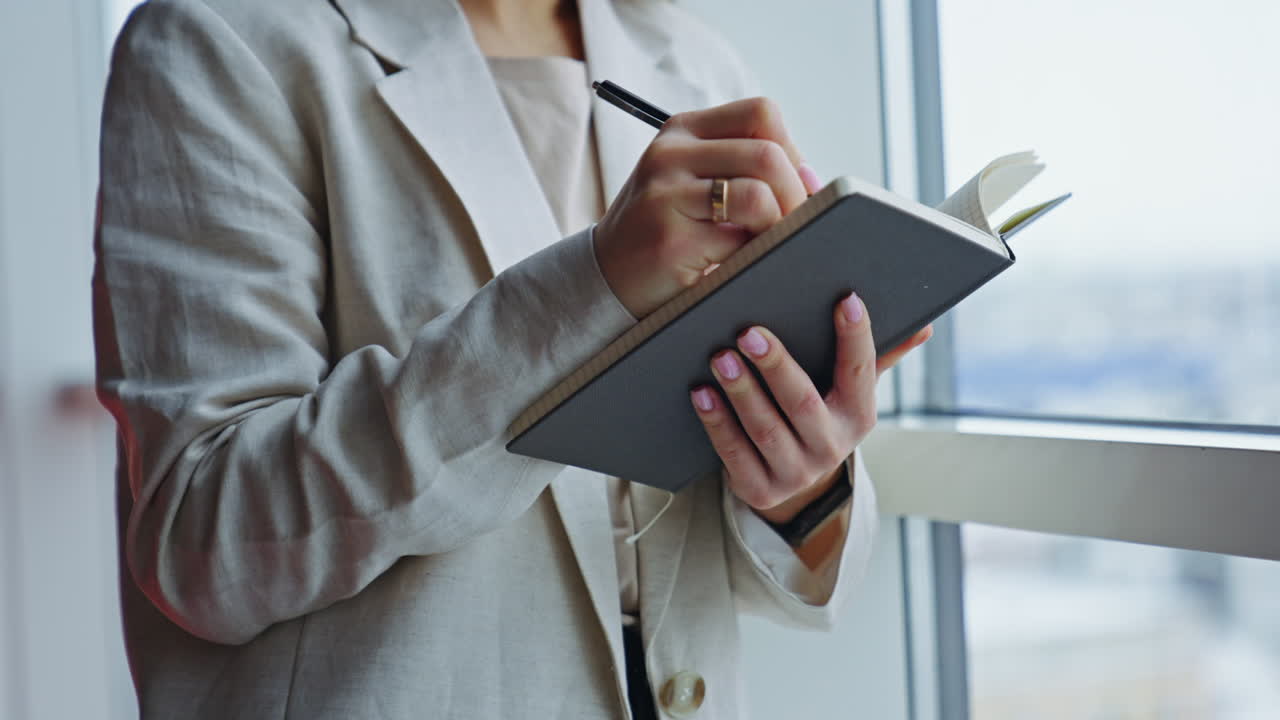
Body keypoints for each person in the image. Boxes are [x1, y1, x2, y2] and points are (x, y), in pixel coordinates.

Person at [93, 0, 931, 717]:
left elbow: (699, 547)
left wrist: (800, 485)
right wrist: (590, 285)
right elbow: (205, 545)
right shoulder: (219, 41)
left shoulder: (694, 62)